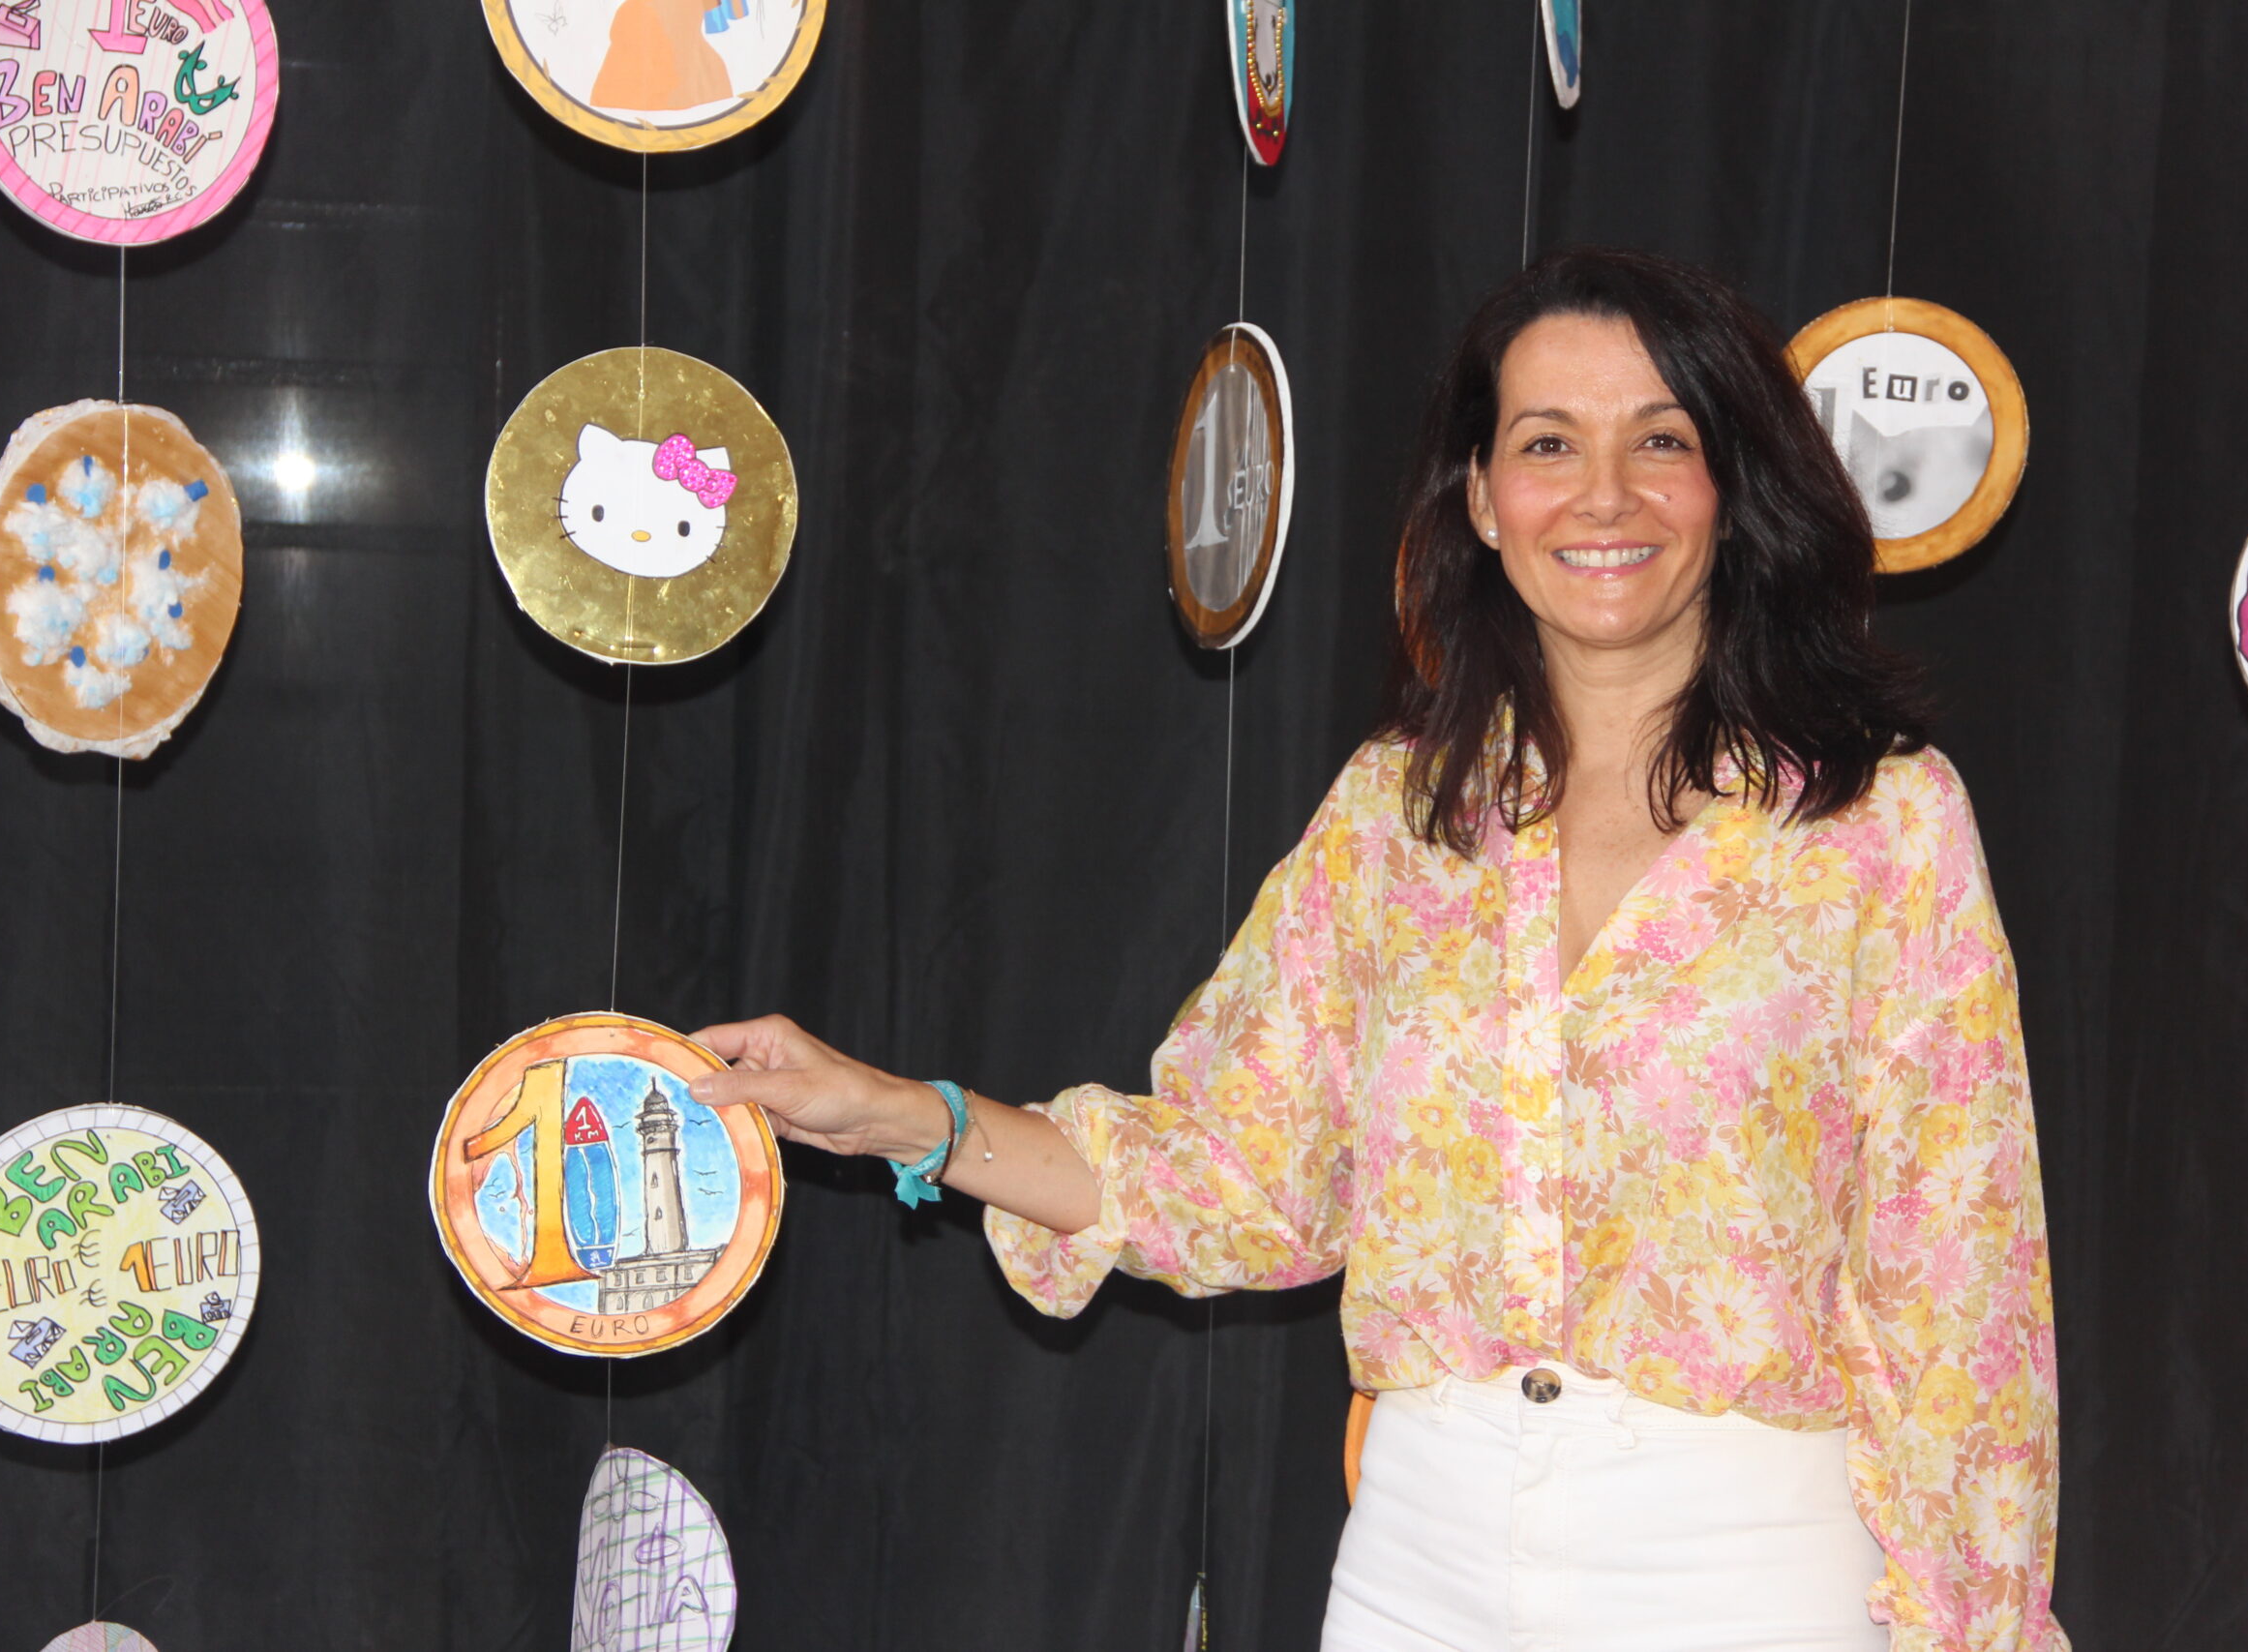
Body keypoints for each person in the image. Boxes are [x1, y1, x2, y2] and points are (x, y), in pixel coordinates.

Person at [691, 247, 2067, 1652]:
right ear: (1480, 496)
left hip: (1745, 1572)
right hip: (1421, 1563)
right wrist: (897, 1116)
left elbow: (1961, 1282)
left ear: (1735, 481)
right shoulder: (1399, 813)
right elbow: (1238, 1176)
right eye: (1548, 444)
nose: (1605, 495)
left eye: (1662, 440)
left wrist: (1978, 1623)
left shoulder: (1880, 822)